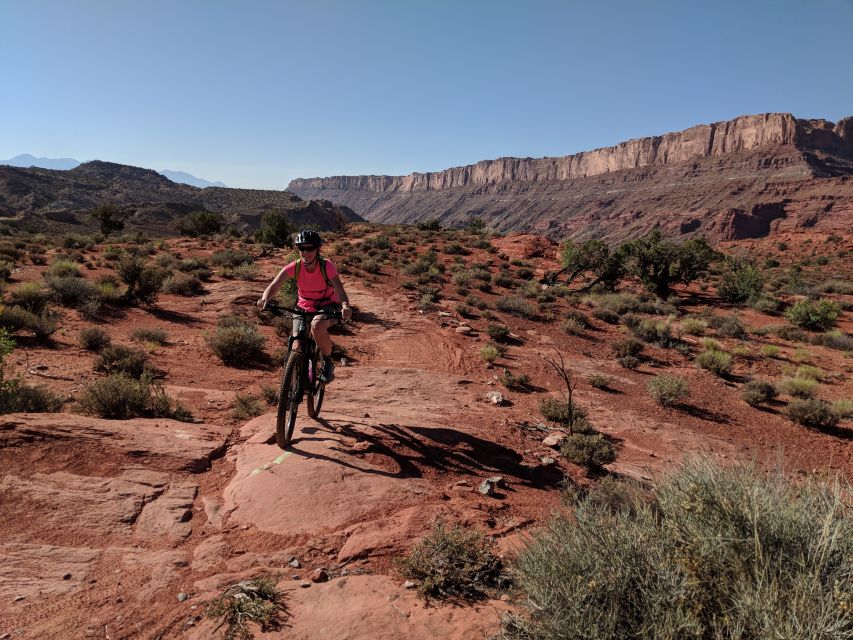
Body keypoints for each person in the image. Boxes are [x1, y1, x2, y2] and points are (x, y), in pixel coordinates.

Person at [256, 229, 352, 382]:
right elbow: (274, 285)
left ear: (317, 249)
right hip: (303, 306)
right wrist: (265, 299)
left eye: (310, 248)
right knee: (296, 344)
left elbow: (339, 290)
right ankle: (293, 384)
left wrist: (345, 306)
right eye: (301, 248)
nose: (305, 252)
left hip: (326, 305)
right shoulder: (295, 266)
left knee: (317, 326)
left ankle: (328, 362)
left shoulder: (327, 266)